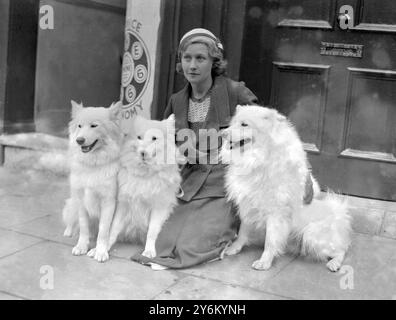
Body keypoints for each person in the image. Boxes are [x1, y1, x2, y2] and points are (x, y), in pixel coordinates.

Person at [132, 28, 313, 269]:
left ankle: (222, 235)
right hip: (190, 180)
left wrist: (303, 173)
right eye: (187, 58)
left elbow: (274, 132)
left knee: (195, 243)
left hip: (225, 182)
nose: (192, 65)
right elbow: (163, 140)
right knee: (163, 239)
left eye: (200, 58)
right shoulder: (176, 101)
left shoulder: (234, 91)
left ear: (214, 62)